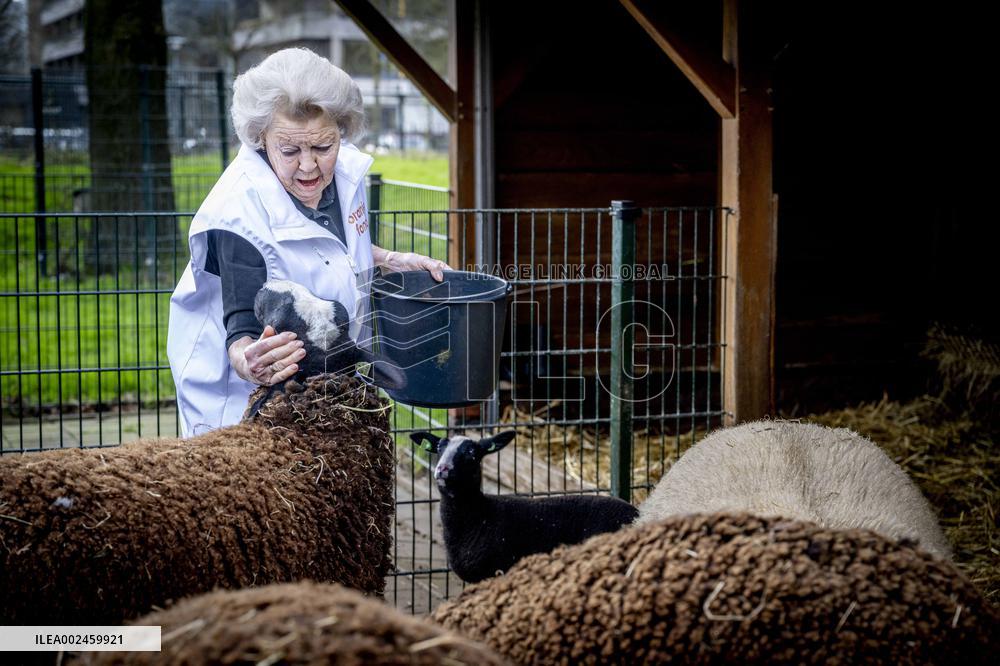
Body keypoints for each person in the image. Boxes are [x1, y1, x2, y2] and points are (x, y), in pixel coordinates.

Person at [167, 48, 448, 437]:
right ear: (259, 138)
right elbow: (240, 328)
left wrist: (391, 259)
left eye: (322, 146)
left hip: (324, 389)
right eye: (290, 150)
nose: (308, 166)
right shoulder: (238, 215)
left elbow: (333, 247)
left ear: (340, 130)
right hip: (246, 407)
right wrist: (251, 360)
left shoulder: (347, 171)